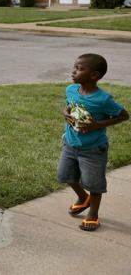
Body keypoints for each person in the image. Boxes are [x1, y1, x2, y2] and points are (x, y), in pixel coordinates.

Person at [59, 53, 128, 232]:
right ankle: (83, 198)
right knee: (65, 176)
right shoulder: (71, 89)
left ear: (94, 76)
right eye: (75, 67)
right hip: (70, 143)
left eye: (80, 69)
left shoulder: (103, 99)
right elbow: (69, 104)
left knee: (94, 184)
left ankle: (93, 215)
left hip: (93, 149)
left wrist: (97, 125)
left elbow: (123, 115)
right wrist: (66, 112)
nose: (74, 72)